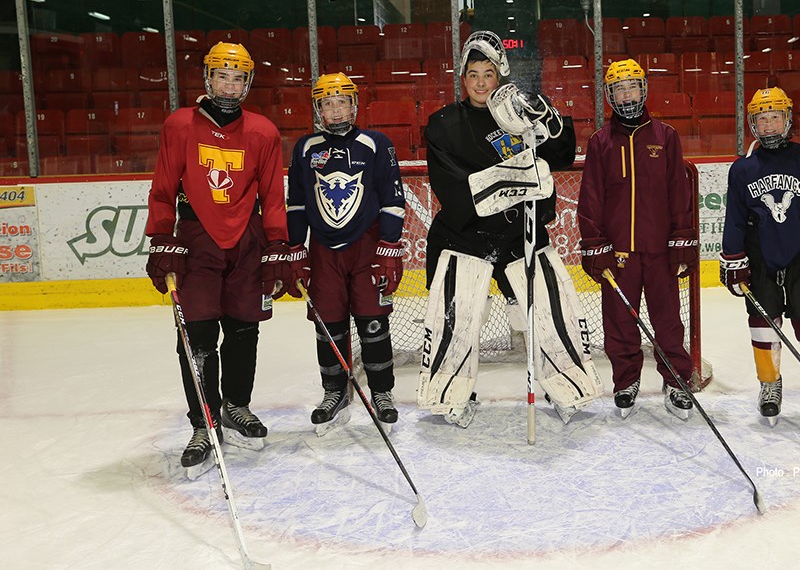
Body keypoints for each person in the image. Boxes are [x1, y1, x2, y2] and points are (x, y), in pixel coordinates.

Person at [417, 30, 601, 427]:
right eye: (472, 74)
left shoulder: (518, 115)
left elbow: (561, 156)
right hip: (465, 236)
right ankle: (453, 395)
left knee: (547, 313)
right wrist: (521, 175)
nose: (480, 82)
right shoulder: (444, 125)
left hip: (523, 232)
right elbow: (457, 190)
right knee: (460, 315)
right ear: (463, 79)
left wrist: (548, 122)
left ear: (499, 74)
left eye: (487, 73)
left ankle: (563, 387)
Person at [145, 41, 291, 474]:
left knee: (245, 331)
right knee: (198, 337)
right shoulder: (180, 124)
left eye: (238, 77)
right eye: (222, 76)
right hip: (195, 239)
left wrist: (278, 246)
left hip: (247, 241)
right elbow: (163, 186)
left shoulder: (263, 131)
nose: (229, 84)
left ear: (248, 84)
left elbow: (273, 196)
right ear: (207, 78)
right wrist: (160, 237)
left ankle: (236, 406)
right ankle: (202, 422)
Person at [719, 87, 800, 426]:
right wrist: (733, 257)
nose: (768, 126)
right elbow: (734, 217)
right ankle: (769, 384)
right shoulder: (743, 170)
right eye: (761, 120)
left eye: (774, 118)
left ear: (787, 119)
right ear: (753, 124)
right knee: (764, 324)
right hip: (759, 256)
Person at [577, 58, 698, 420]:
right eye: (619, 89)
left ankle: (676, 378)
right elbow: (591, 198)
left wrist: (682, 240)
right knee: (619, 322)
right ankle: (626, 380)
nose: (626, 94)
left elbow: (679, 192)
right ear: (610, 96)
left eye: (632, 86)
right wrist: (595, 245)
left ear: (643, 89)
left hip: (660, 249)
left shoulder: (665, 136)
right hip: (618, 254)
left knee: (668, 320)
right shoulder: (600, 142)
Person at [285, 72, 406, 434]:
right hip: (324, 252)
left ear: (354, 105)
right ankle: (333, 392)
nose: (335, 110)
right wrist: (296, 249)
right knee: (328, 326)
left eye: (341, 102)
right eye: (327, 103)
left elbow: (392, 197)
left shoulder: (375, 143)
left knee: (372, 322)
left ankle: (382, 392)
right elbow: (297, 203)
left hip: (366, 248)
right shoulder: (306, 148)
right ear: (318, 108)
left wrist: (388, 245)